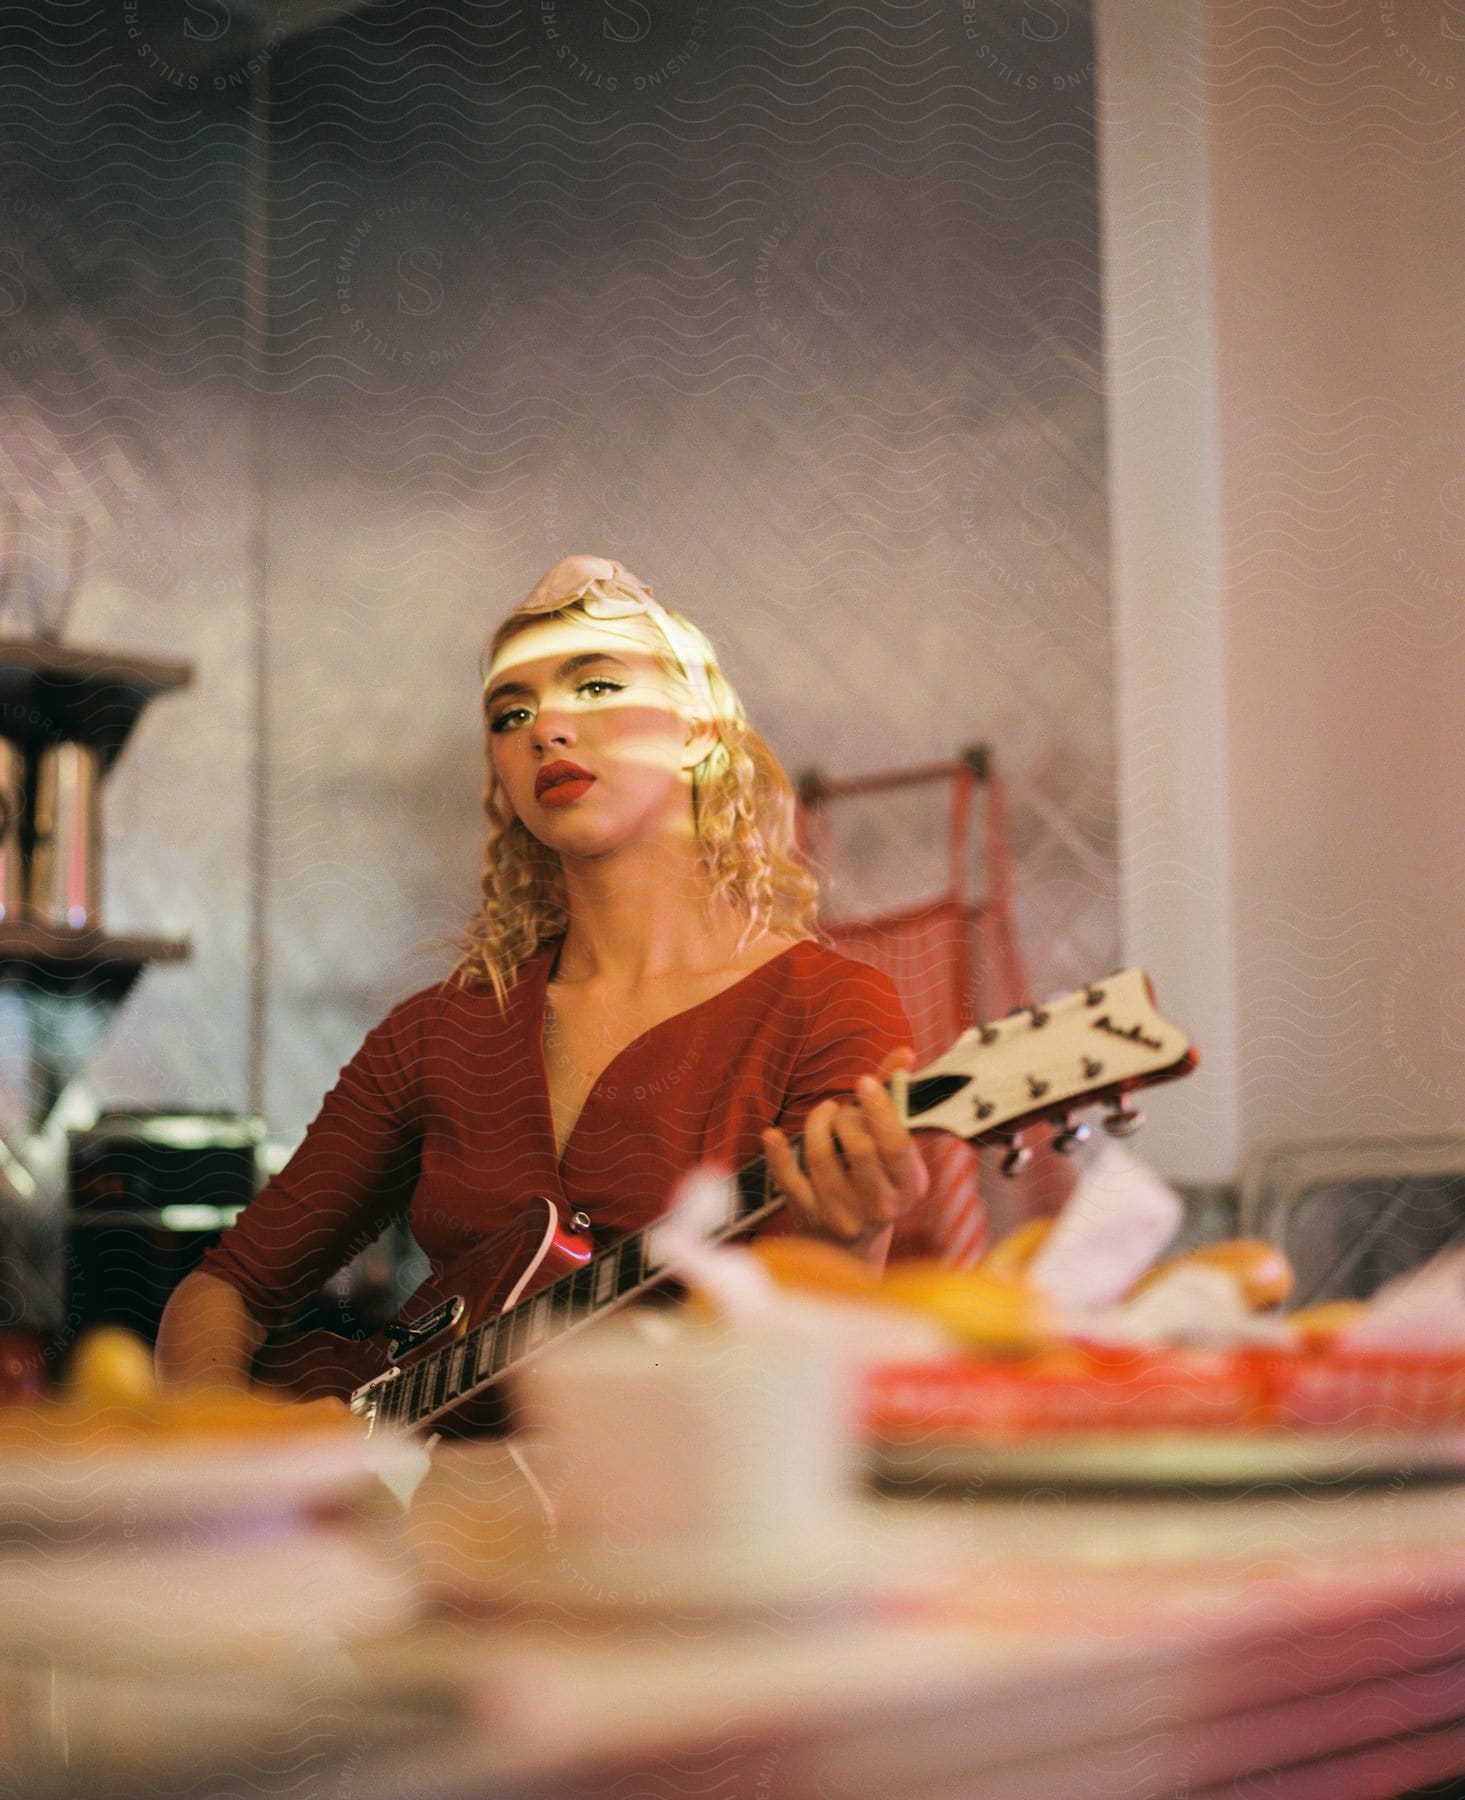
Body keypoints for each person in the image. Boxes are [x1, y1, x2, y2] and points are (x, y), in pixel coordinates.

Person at [155, 555, 928, 1395]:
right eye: (510, 712)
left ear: (700, 728)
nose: (546, 730)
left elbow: (802, 1380)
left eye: (595, 688)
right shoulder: (436, 1033)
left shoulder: (828, 1008)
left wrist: (847, 1243)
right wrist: (225, 1465)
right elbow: (224, 1291)